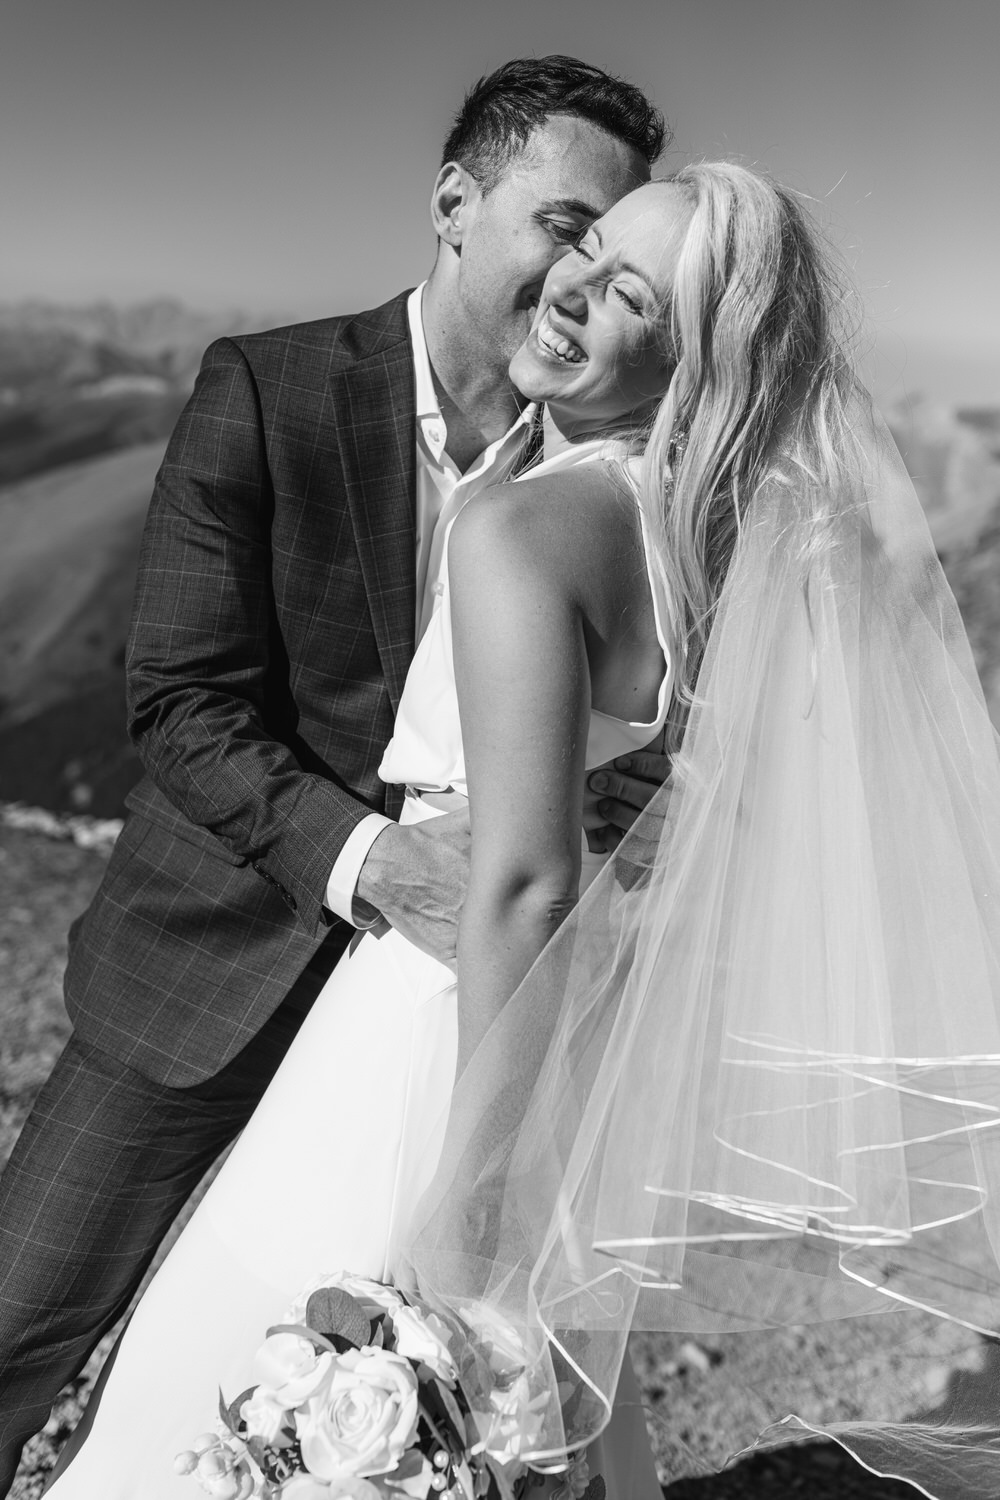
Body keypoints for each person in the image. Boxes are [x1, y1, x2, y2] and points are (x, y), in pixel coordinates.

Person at [39, 162, 1000, 1500]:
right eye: (588, 248)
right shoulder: (703, 533)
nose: (575, 296)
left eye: (637, 302)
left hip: (435, 1034)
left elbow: (527, 887)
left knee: (242, 1399)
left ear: (692, 358)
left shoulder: (528, 523)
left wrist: (468, 1193)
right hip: (569, 1061)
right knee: (492, 1423)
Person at [0, 57, 671, 1495]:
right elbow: (181, 704)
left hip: (439, 1032)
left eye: (612, 253)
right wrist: (380, 865)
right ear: (452, 203)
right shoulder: (270, 389)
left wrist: (610, 798)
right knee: (18, 1327)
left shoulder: (607, 468)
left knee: (393, 1399)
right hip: (204, 978)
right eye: (562, 225)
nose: (578, 277)